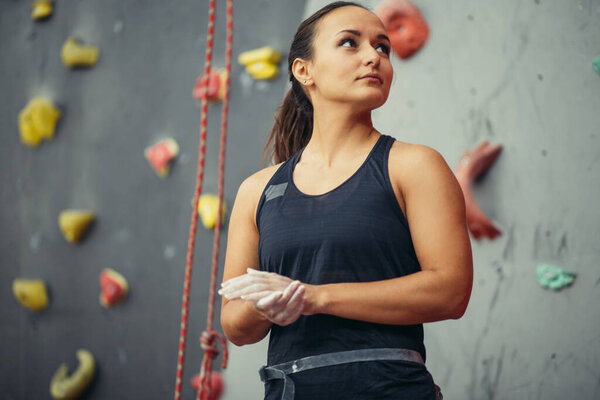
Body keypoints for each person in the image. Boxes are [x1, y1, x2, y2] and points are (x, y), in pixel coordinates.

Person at [218, 2, 473, 399]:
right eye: (350, 43)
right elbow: (234, 325)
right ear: (305, 71)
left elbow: (451, 291)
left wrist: (315, 297)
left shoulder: (414, 165)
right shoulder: (258, 190)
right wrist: (267, 305)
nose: (375, 56)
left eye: (383, 47)